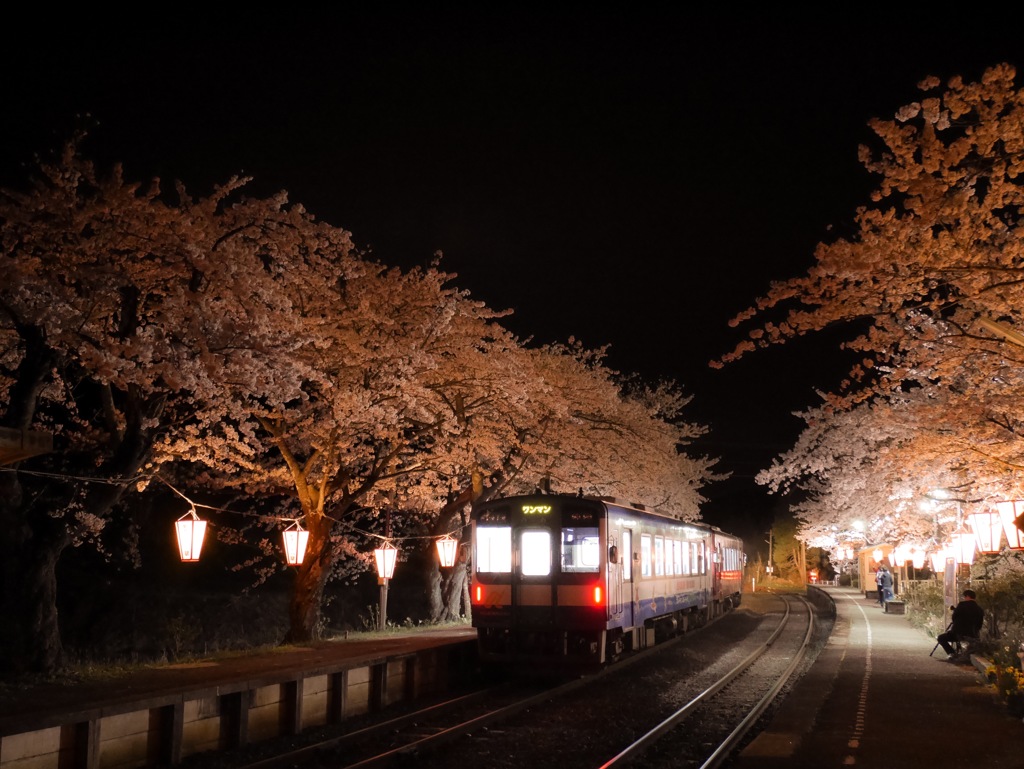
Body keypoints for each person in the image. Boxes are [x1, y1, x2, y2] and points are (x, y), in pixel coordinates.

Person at [936, 589, 985, 660]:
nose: (964, 599)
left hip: (958, 633)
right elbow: (980, 623)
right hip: (973, 634)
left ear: (967, 596)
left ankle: (952, 653)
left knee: (941, 638)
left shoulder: (962, 605)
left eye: (965, 597)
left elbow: (954, 617)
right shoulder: (979, 609)